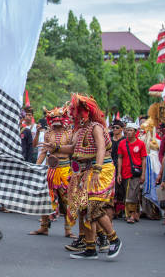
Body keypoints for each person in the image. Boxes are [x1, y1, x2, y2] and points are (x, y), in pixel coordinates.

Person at [51, 94, 121, 260]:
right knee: (83, 209)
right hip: (83, 172)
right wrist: (55, 147)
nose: (76, 115)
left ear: (87, 112)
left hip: (101, 170)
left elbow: (101, 148)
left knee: (94, 207)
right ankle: (90, 248)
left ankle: (114, 239)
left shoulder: (96, 127)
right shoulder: (79, 130)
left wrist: (97, 169)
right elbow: (72, 149)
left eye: (78, 112)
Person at [31, 104, 74, 238]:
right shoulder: (49, 133)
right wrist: (36, 168)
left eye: (59, 117)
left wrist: (56, 147)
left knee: (67, 200)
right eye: (54, 117)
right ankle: (44, 227)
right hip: (51, 169)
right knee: (46, 198)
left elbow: (72, 150)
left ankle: (68, 230)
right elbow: (44, 151)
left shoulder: (69, 133)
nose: (56, 119)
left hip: (65, 170)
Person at [117, 122, 147, 223]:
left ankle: (130, 215)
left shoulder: (141, 144)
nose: (128, 132)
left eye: (131, 130)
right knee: (129, 194)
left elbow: (143, 159)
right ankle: (136, 212)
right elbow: (120, 158)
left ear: (135, 132)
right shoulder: (122, 143)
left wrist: (143, 174)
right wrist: (119, 173)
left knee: (131, 194)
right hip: (125, 172)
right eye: (127, 130)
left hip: (136, 173)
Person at [109, 119, 126, 217]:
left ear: (122, 129)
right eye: (113, 127)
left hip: (121, 165)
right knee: (111, 187)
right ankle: (111, 208)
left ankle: (119, 209)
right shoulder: (110, 140)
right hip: (110, 165)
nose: (115, 129)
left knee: (120, 188)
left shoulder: (124, 140)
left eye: (117, 128)